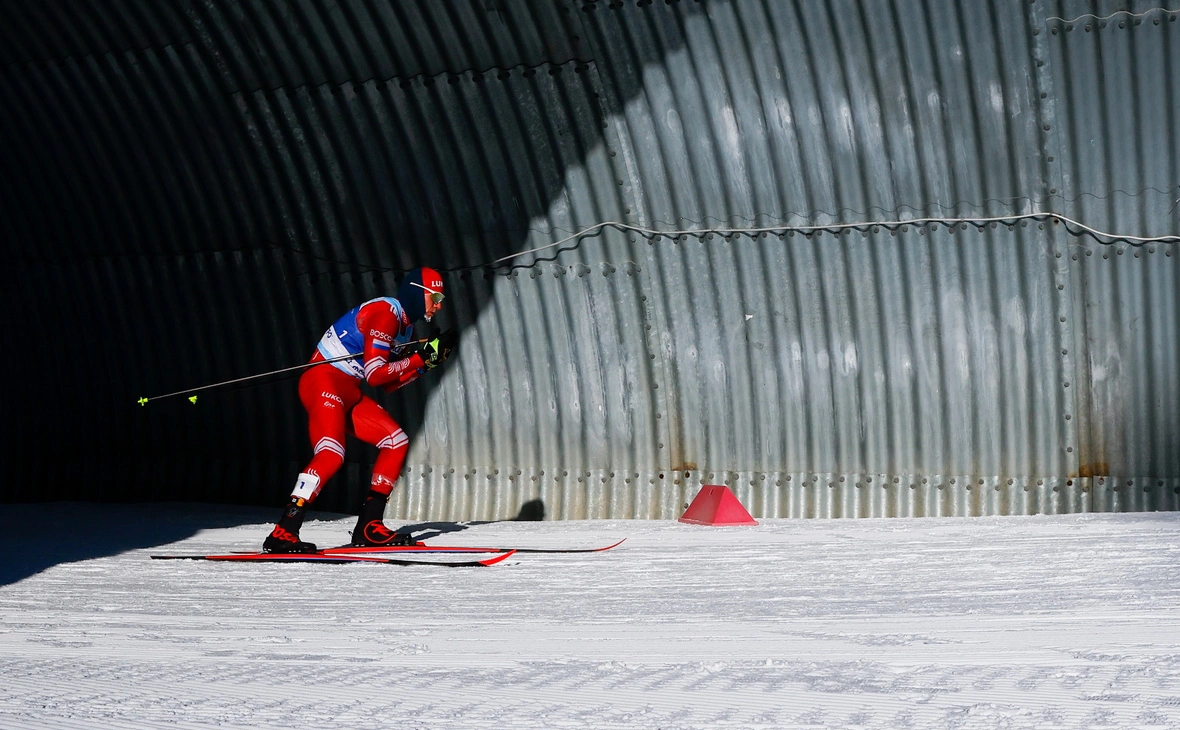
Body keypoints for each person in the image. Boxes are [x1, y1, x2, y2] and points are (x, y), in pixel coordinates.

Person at [263, 267, 457, 553]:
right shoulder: (386, 315)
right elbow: (376, 374)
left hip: (348, 390)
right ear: (418, 293)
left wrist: (427, 363)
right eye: (435, 296)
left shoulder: (406, 327)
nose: (439, 304)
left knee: (396, 441)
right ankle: (284, 529)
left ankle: (369, 525)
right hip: (323, 379)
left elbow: (390, 384)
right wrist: (418, 359)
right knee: (331, 452)